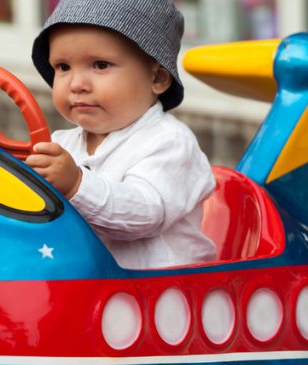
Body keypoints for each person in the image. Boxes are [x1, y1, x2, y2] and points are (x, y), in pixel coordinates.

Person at [26, 0, 217, 270]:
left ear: (158, 78)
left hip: (165, 295)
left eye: (100, 65)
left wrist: (77, 185)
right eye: (63, 67)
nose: (77, 84)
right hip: (90, 287)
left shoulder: (169, 142)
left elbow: (145, 214)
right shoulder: (61, 144)